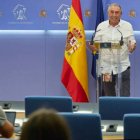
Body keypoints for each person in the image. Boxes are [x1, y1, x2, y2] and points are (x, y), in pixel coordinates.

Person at [89, 3, 136, 96]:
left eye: (117, 12)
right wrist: (93, 48)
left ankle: (124, 111)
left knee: (125, 96)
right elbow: (96, 45)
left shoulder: (127, 26)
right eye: (112, 12)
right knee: (109, 96)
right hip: (106, 68)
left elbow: (132, 42)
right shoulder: (101, 26)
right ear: (108, 13)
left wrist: (132, 46)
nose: (114, 15)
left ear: (121, 14)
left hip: (123, 67)